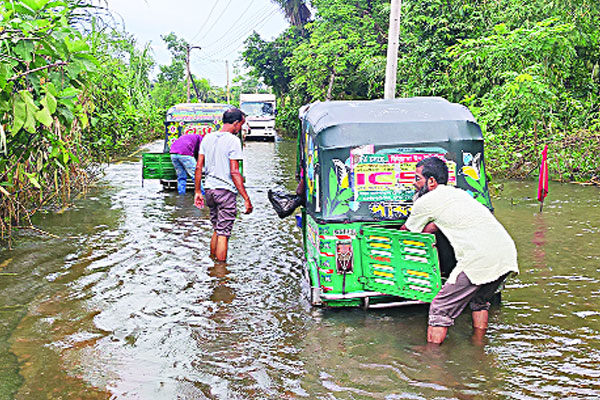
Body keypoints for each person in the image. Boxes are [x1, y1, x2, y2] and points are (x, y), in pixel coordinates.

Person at [401, 157, 519, 345]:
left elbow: (407, 234)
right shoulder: (458, 195)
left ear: (431, 181)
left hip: (479, 259)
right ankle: (478, 346)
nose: (415, 184)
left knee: (440, 308)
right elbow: (436, 226)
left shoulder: (427, 201)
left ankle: (432, 361)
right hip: (506, 254)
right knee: (479, 300)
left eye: (417, 179)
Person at [194, 108, 253, 261]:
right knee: (224, 233)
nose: (240, 128)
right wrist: (246, 198)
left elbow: (199, 166)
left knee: (217, 229)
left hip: (209, 190)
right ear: (235, 123)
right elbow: (234, 172)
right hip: (225, 191)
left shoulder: (207, 138)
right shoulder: (233, 141)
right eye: (241, 124)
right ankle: (220, 273)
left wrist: (197, 191)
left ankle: (212, 263)